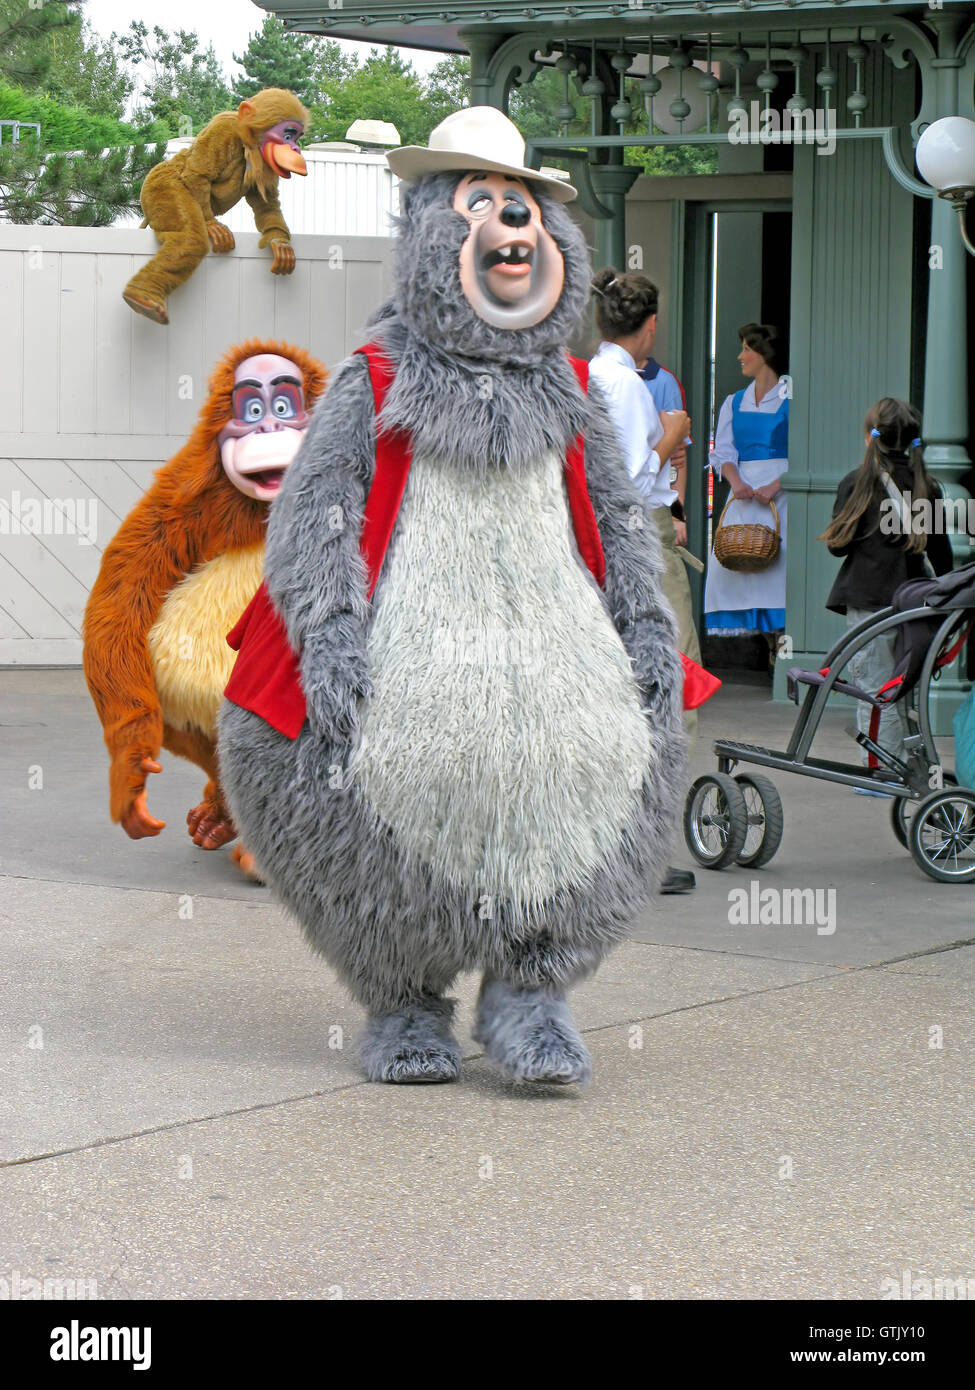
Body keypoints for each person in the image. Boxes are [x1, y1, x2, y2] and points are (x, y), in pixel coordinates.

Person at [588, 267, 697, 894]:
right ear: (649, 326)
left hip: (605, 543)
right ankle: (650, 847)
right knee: (673, 682)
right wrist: (673, 436)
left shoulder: (588, 376)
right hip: (641, 536)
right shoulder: (627, 385)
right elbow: (629, 481)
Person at [821, 397, 953, 783]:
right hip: (916, 601)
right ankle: (905, 765)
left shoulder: (856, 484)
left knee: (876, 689)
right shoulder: (929, 488)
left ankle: (882, 774)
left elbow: (837, 546)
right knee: (905, 687)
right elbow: (941, 553)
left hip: (869, 602)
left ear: (870, 439)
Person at [704, 322, 789, 673]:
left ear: (763, 355)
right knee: (736, 560)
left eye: (746, 349)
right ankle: (770, 644)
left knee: (779, 566)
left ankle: (783, 647)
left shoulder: (793, 395)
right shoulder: (733, 402)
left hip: (781, 494)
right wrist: (734, 479)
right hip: (743, 494)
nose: (740, 356)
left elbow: (809, 448)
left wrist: (779, 483)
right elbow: (723, 450)